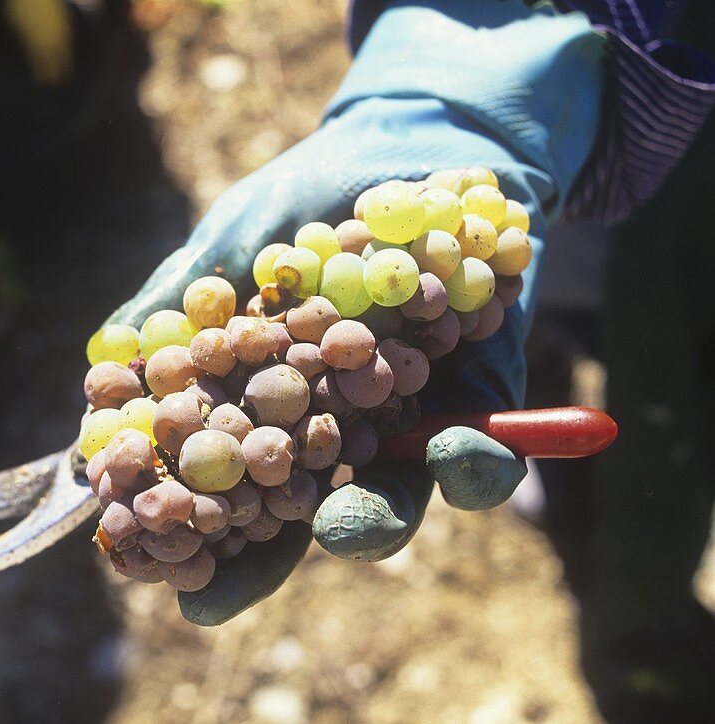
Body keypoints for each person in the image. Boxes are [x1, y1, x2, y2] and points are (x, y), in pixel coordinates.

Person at [98, 0, 715, 631]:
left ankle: (631, 578)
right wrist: (453, 70)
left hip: (661, 169)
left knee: (661, 354)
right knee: (533, 324)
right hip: (561, 151)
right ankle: (578, 517)